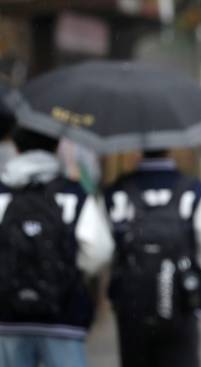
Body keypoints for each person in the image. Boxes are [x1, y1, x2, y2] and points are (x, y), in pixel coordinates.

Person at [104, 150, 201, 367]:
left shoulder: (117, 191)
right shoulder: (195, 190)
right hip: (182, 301)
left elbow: (99, 250)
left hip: (131, 306)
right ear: (171, 148)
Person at [0, 128, 114, 367]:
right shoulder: (73, 194)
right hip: (64, 315)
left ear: (16, 148)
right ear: (55, 147)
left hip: (7, 316)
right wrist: (67, 270)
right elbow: (99, 251)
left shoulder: (3, 194)